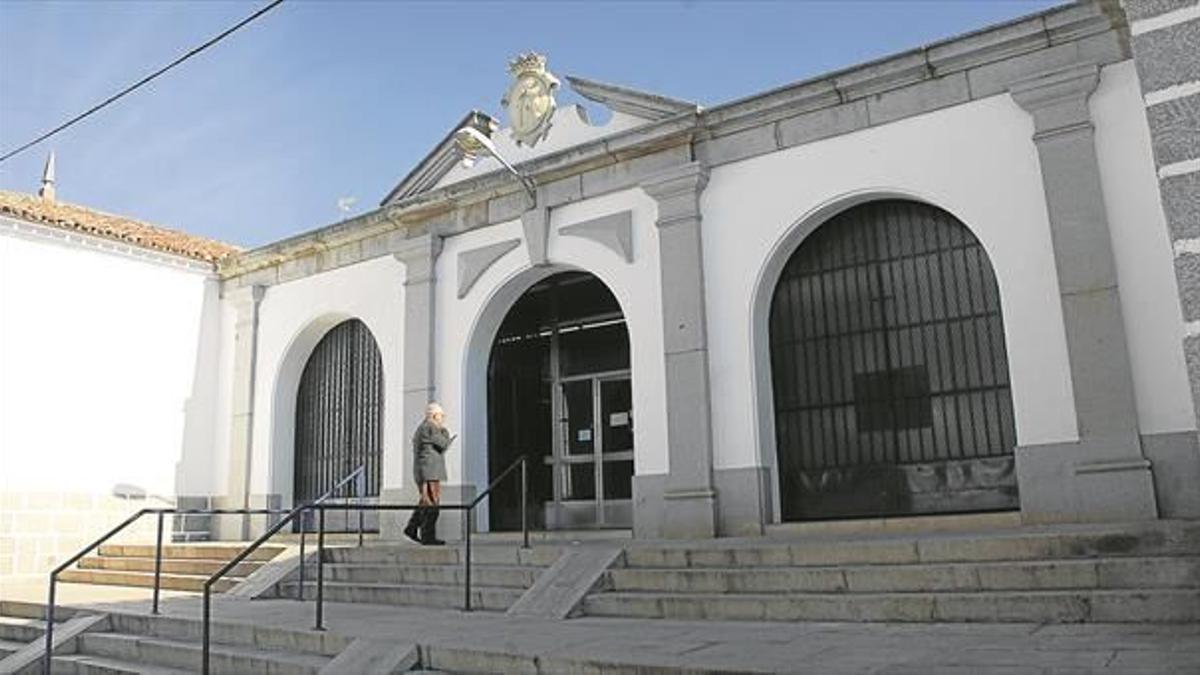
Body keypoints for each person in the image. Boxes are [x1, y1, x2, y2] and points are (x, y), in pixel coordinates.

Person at [403, 402, 454, 546]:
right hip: (429, 472)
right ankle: (427, 536)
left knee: (425, 502)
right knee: (432, 505)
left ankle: (411, 528)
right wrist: (445, 432)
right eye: (441, 416)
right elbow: (443, 444)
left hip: (426, 471)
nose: (443, 418)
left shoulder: (424, 427)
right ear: (434, 415)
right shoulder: (430, 427)